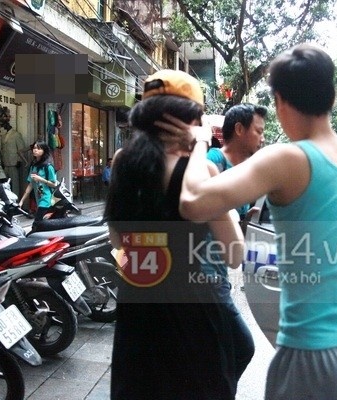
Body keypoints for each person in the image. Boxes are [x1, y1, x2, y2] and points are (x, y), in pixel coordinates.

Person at [158, 43, 337, 400]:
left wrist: (200, 143)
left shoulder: (286, 159)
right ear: (332, 95)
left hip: (315, 354)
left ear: (280, 101)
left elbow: (191, 203)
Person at [103, 69, 245, 400]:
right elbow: (235, 253)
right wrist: (200, 145)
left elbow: (117, 240)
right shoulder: (202, 171)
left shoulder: (123, 162)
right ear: (194, 119)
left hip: (137, 305)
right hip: (192, 309)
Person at [200, 103, 268, 383]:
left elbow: (229, 228)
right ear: (239, 129)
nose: (262, 137)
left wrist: (245, 220)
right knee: (242, 346)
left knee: (218, 350)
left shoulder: (246, 172)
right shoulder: (213, 161)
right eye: (258, 131)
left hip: (219, 271)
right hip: (203, 273)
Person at [18, 141, 57, 222]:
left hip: (47, 200)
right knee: (43, 224)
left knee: (37, 223)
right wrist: (21, 201)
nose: (35, 150)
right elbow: (30, 185)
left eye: (38, 148)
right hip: (39, 200)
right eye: (34, 148)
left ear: (44, 151)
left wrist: (41, 179)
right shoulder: (34, 167)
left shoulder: (48, 167)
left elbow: (54, 184)